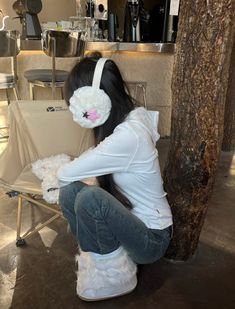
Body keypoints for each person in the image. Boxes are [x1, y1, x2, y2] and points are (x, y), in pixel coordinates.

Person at [57, 53, 173, 301]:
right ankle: (99, 259)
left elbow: (66, 172)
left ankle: (115, 275)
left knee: (90, 198)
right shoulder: (128, 121)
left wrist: (54, 171)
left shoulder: (129, 135)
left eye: (77, 104)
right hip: (134, 223)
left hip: (151, 239)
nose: (77, 113)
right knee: (70, 192)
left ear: (95, 100)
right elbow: (81, 169)